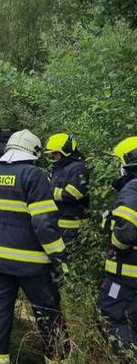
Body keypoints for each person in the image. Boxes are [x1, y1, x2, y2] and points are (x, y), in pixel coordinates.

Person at [0, 129, 69, 364]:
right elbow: (44, 224)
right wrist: (59, 258)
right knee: (49, 315)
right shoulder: (33, 175)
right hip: (33, 267)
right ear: (33, 152)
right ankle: (58, 360)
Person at [97, 136, 137, 355]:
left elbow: (126, 232)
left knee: (110, 318)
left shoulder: (133, 189)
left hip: (127, 277)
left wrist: (115, 242)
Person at [44, 133, 90, 242]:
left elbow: (74, 193)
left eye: (55, 153)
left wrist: (48, 191)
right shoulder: (60, 168)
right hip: (58, 225)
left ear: (65, 151)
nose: (54, 157)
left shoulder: (77, 168)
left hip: (73, 227)